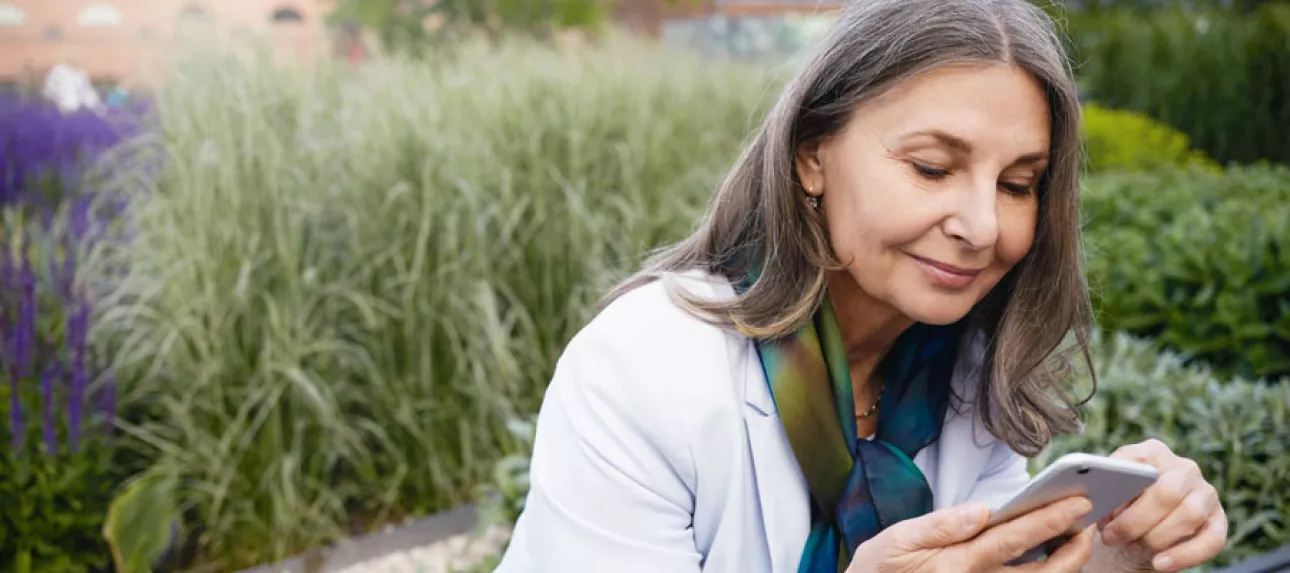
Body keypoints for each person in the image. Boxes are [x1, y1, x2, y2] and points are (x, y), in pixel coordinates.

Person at [494, 1, 1228, 572]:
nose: (980, 224)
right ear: (812, 152)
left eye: (1017, 183)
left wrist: (1118, 549)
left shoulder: (967, 377)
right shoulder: (638, 370)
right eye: (933, 167)